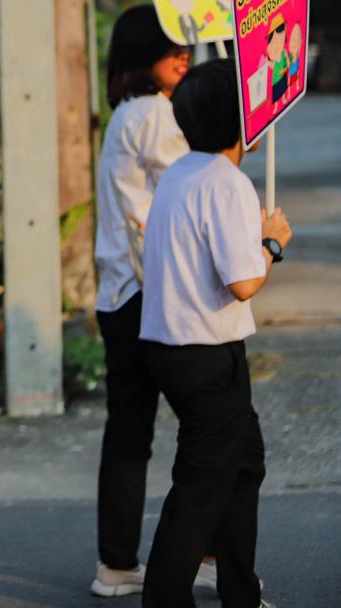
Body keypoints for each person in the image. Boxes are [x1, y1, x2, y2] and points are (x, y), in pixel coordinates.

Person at [137, 59, 288, 608]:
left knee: (244, 464)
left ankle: (240, 591)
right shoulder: (228, 183)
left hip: (176, 346)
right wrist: (272, 243)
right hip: (204, 353)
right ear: (240, 118)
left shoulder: (181, 172)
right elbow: (243, 281)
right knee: (201, 488)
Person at [91, 5, 200, 597]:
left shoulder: (125, 114)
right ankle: (208, 552)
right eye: (170, 46)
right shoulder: (156, 113)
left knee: (129, 434)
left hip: (119, 293)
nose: (184, 54)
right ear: (141, 54)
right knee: (214, 428)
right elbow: (194, 188)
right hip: (154, 294)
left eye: (185, 45)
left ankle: (116, 564)